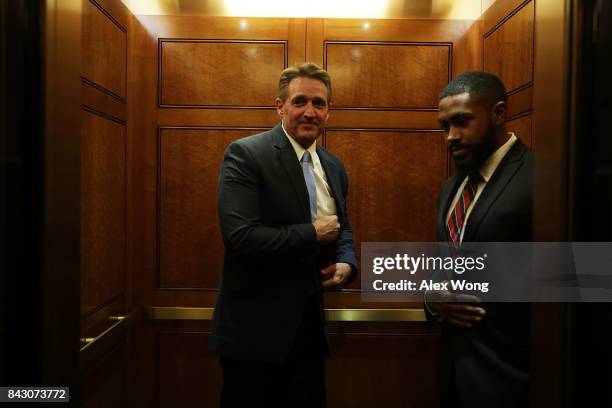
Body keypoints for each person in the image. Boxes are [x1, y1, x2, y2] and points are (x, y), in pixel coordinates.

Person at [209, 62, 357, 407]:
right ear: (279, 106)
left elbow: (341, 227)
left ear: (329, 111)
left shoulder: (332, 165)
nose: (310, 112)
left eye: (319, 104)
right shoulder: (246, 154)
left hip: (309, 334)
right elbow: (241, 237)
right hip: (254, 338)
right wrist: (311, 234)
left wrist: (347, 264)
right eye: (299, 101)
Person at [426, 71, 533, 407]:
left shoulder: (544, 177)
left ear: (499, 113)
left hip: (514, 376)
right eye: (445, 126)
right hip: (455, 374)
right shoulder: (451, 188)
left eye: (461, 122)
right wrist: (433, 297)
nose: (451, 136)